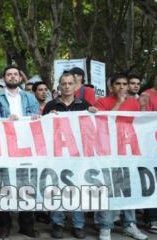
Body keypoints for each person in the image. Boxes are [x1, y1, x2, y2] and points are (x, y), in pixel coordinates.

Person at [93, 74, 147, 240]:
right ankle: (105, 226)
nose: (122, 87)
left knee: (128, 188)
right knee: (108, 188)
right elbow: (103, 123)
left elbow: (141, 125)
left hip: (128, 152)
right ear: (111, 86)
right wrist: (119, 103)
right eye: (118, 84)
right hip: (107, 152)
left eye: (125, 84)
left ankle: (130, 224)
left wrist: (143, 108)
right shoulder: (101, 102)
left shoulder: (134, 103)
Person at [0, 65, 39, 238]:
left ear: (20, 77)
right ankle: (4, 226)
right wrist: (5, 121)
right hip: (4, 146)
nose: (12, 77)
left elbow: (37, 120)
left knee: (26, 184)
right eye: (9, 74)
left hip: (25, 146)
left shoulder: (29, 97)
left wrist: (35, 119)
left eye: (15, 74)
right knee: (3, 185)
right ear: (3, 79)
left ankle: (27, 225)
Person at [43, 72, 92, 239]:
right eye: (63, 83)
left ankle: (78, 225)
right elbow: (42, 130)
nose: (67, 86)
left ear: (75, 86)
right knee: (57, 188)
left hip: (78, 155)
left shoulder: (84, 105)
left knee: (77, 187)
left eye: (70, 83)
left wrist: (94, 114)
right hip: (56, 154)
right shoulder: (50, 106)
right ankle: (57, 223)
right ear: (59, 85)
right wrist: (48, 119)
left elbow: (92, 128)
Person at [139, 69, 157, 234]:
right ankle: (152, 219)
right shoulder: (146, 95)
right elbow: (142, 119)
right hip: (152, 147)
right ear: (156, 78)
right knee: (154, 182)